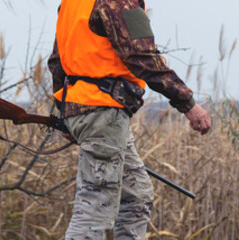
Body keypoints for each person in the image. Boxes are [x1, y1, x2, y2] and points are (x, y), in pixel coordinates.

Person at [47, 0, 212, 239]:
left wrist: (67, 111)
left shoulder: (71, 3)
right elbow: (141, 54)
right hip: (104, 111)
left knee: (136, 196)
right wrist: (187, 103)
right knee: (95, 205)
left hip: (93, 112)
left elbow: (57, 62)